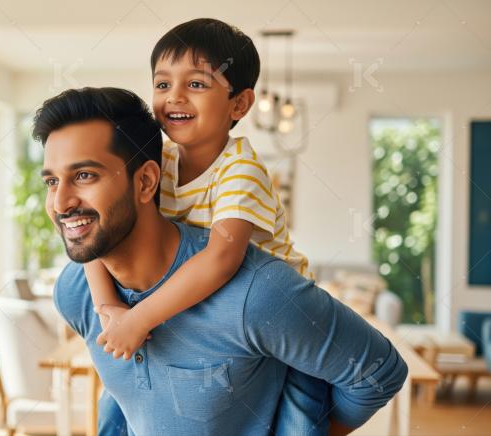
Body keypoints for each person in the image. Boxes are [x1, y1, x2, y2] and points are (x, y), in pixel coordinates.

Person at [35, 86, 408, 435]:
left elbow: (378, 373)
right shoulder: (74, 292)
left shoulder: (257, 293)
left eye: (84, 175)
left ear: (147, 182)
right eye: (51, 182)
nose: (61, 202)